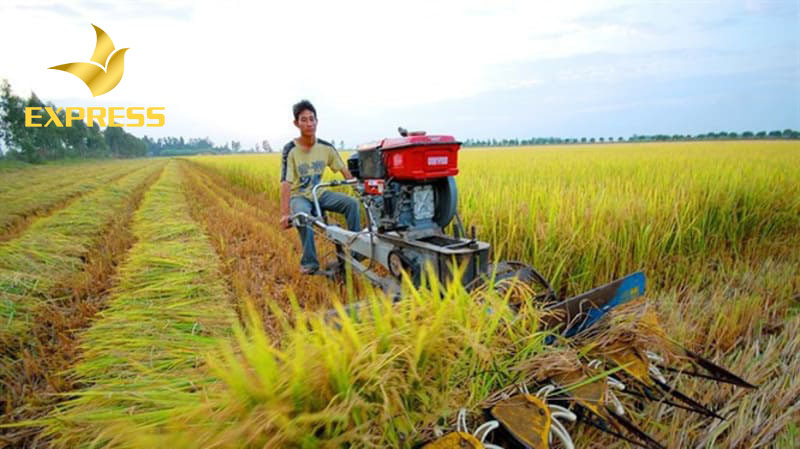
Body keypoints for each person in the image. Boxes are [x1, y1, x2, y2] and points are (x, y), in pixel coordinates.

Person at [279, 100, 361, 274]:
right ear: (296, 123)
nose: (309, 123)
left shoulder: (326, 148)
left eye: (312, 119)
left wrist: (359, 190)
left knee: (352, 204)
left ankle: (357, 252)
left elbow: (344, 170)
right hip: (299, 196)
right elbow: (286, 182)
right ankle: (310, 263)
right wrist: (285, 213)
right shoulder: (290, 150)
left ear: (317, 121)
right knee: (304, 216)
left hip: (320, 193)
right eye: (304, 120)